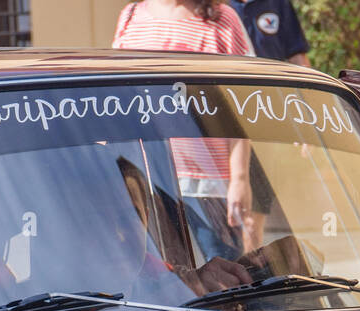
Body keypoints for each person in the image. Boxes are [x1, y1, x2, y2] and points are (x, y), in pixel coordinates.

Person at [113, 0, 255, 263]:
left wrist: (240, 178)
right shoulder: (131, 17)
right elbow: (116, 96)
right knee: (168, 278)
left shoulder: (222, 20)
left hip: (208, 183)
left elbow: (242, 103)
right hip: (148, 178)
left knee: (226, 275)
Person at [229, 0, 311, 250]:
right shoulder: (211, 6)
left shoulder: (277, 4)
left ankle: (248, 279)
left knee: (253, 218)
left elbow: (297, 60)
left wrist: (306, 119)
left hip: (267, 125)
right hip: (222, 126)